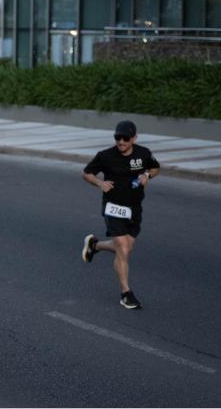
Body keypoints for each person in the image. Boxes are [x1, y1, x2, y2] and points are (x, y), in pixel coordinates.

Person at [81, 120, 160, 310]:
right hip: (113, 206)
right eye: (118, 137)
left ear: (134, 138)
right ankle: (126, 293)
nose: (121, 142)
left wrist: (147, 176)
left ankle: (95, 244)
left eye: (126, 138)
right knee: (122, 248)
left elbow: (155, 168)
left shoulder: (143, 153)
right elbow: (86, 173)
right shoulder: (106, 156)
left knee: (127, 248)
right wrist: (100, 183)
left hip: (134, 208)